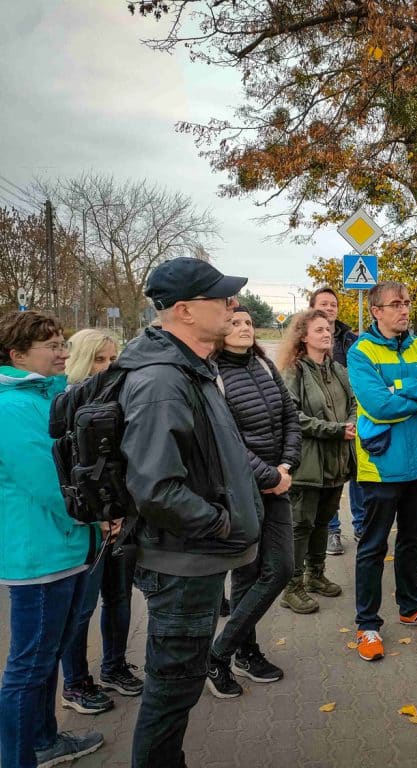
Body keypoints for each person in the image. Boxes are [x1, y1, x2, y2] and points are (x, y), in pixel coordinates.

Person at [119, 257, 262, 767]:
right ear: (184, 310)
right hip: (183, 564)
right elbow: (155, 487)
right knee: (171, 693)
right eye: (220, 298)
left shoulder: (189, 366)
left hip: (194, 559)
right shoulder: (162, 379)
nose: (231, 305)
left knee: (177, 691)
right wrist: (220, 525)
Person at [0, 311, 104, 768]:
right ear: (17, 355)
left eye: (63, 342)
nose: (64, 352)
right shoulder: (12, 407)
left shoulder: (46, 396)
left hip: (65, 546)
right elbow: (49, 481)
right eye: (53, 346)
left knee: (46, 659)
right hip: (39, 554)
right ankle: (18, 757)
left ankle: (44, 743)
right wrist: (99, 516)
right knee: (27, 669)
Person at [347, 280, 417, 661]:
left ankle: (411, 608)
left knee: (413, 541)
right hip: (382, 465)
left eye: (407, 303)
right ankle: (367, 625)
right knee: (373, 547)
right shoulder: (361, 352)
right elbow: (378, 407)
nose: (404, 310)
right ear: (376, 311)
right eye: (396, 304)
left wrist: (400, 390)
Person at [205, 306, 301, 697]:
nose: (244, 328)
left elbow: (291, 417)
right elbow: (224, 441)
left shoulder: (264, 367)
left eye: (247, 323)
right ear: (218, 331)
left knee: (279, 567)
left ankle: (222, 653)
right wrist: (268, 477)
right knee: (249, 573)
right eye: (234, 323)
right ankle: (239, 653)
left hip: (277, 485)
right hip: (243, 492)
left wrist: (286, 465)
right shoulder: (212, 376)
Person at [59, 330, 144, 717]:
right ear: (79, 361)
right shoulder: (64, 405)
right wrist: (97, 518)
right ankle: (76, 683)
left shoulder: (123, 398)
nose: (106, 368)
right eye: (98, 360)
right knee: (82, 608)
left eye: (112, 360)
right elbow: (65, 473)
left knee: (120, 597)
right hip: (88, 526)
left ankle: (114, 667)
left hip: (122, 517)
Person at [277, 309, 356, 614]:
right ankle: (292, 587)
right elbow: (292, 416)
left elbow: (352, 403)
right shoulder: (294, 371)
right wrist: (335, 430)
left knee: (323, 521)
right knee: (301, 524)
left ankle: (316, 575)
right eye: (319, 330)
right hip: (308, 462)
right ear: (303, 336)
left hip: (336, 461)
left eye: (328, 329)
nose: (327, 334)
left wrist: (349, 424)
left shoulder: (338, 370)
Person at [309, 286, 365, 555]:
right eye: (324, 304)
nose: (330, 308)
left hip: (350, 415)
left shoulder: (350, 339)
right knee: (329, 478)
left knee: (356, 472)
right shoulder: (306, 339)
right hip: (322, 419)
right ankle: (332, 532)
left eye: (333, 304)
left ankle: (361, 525)